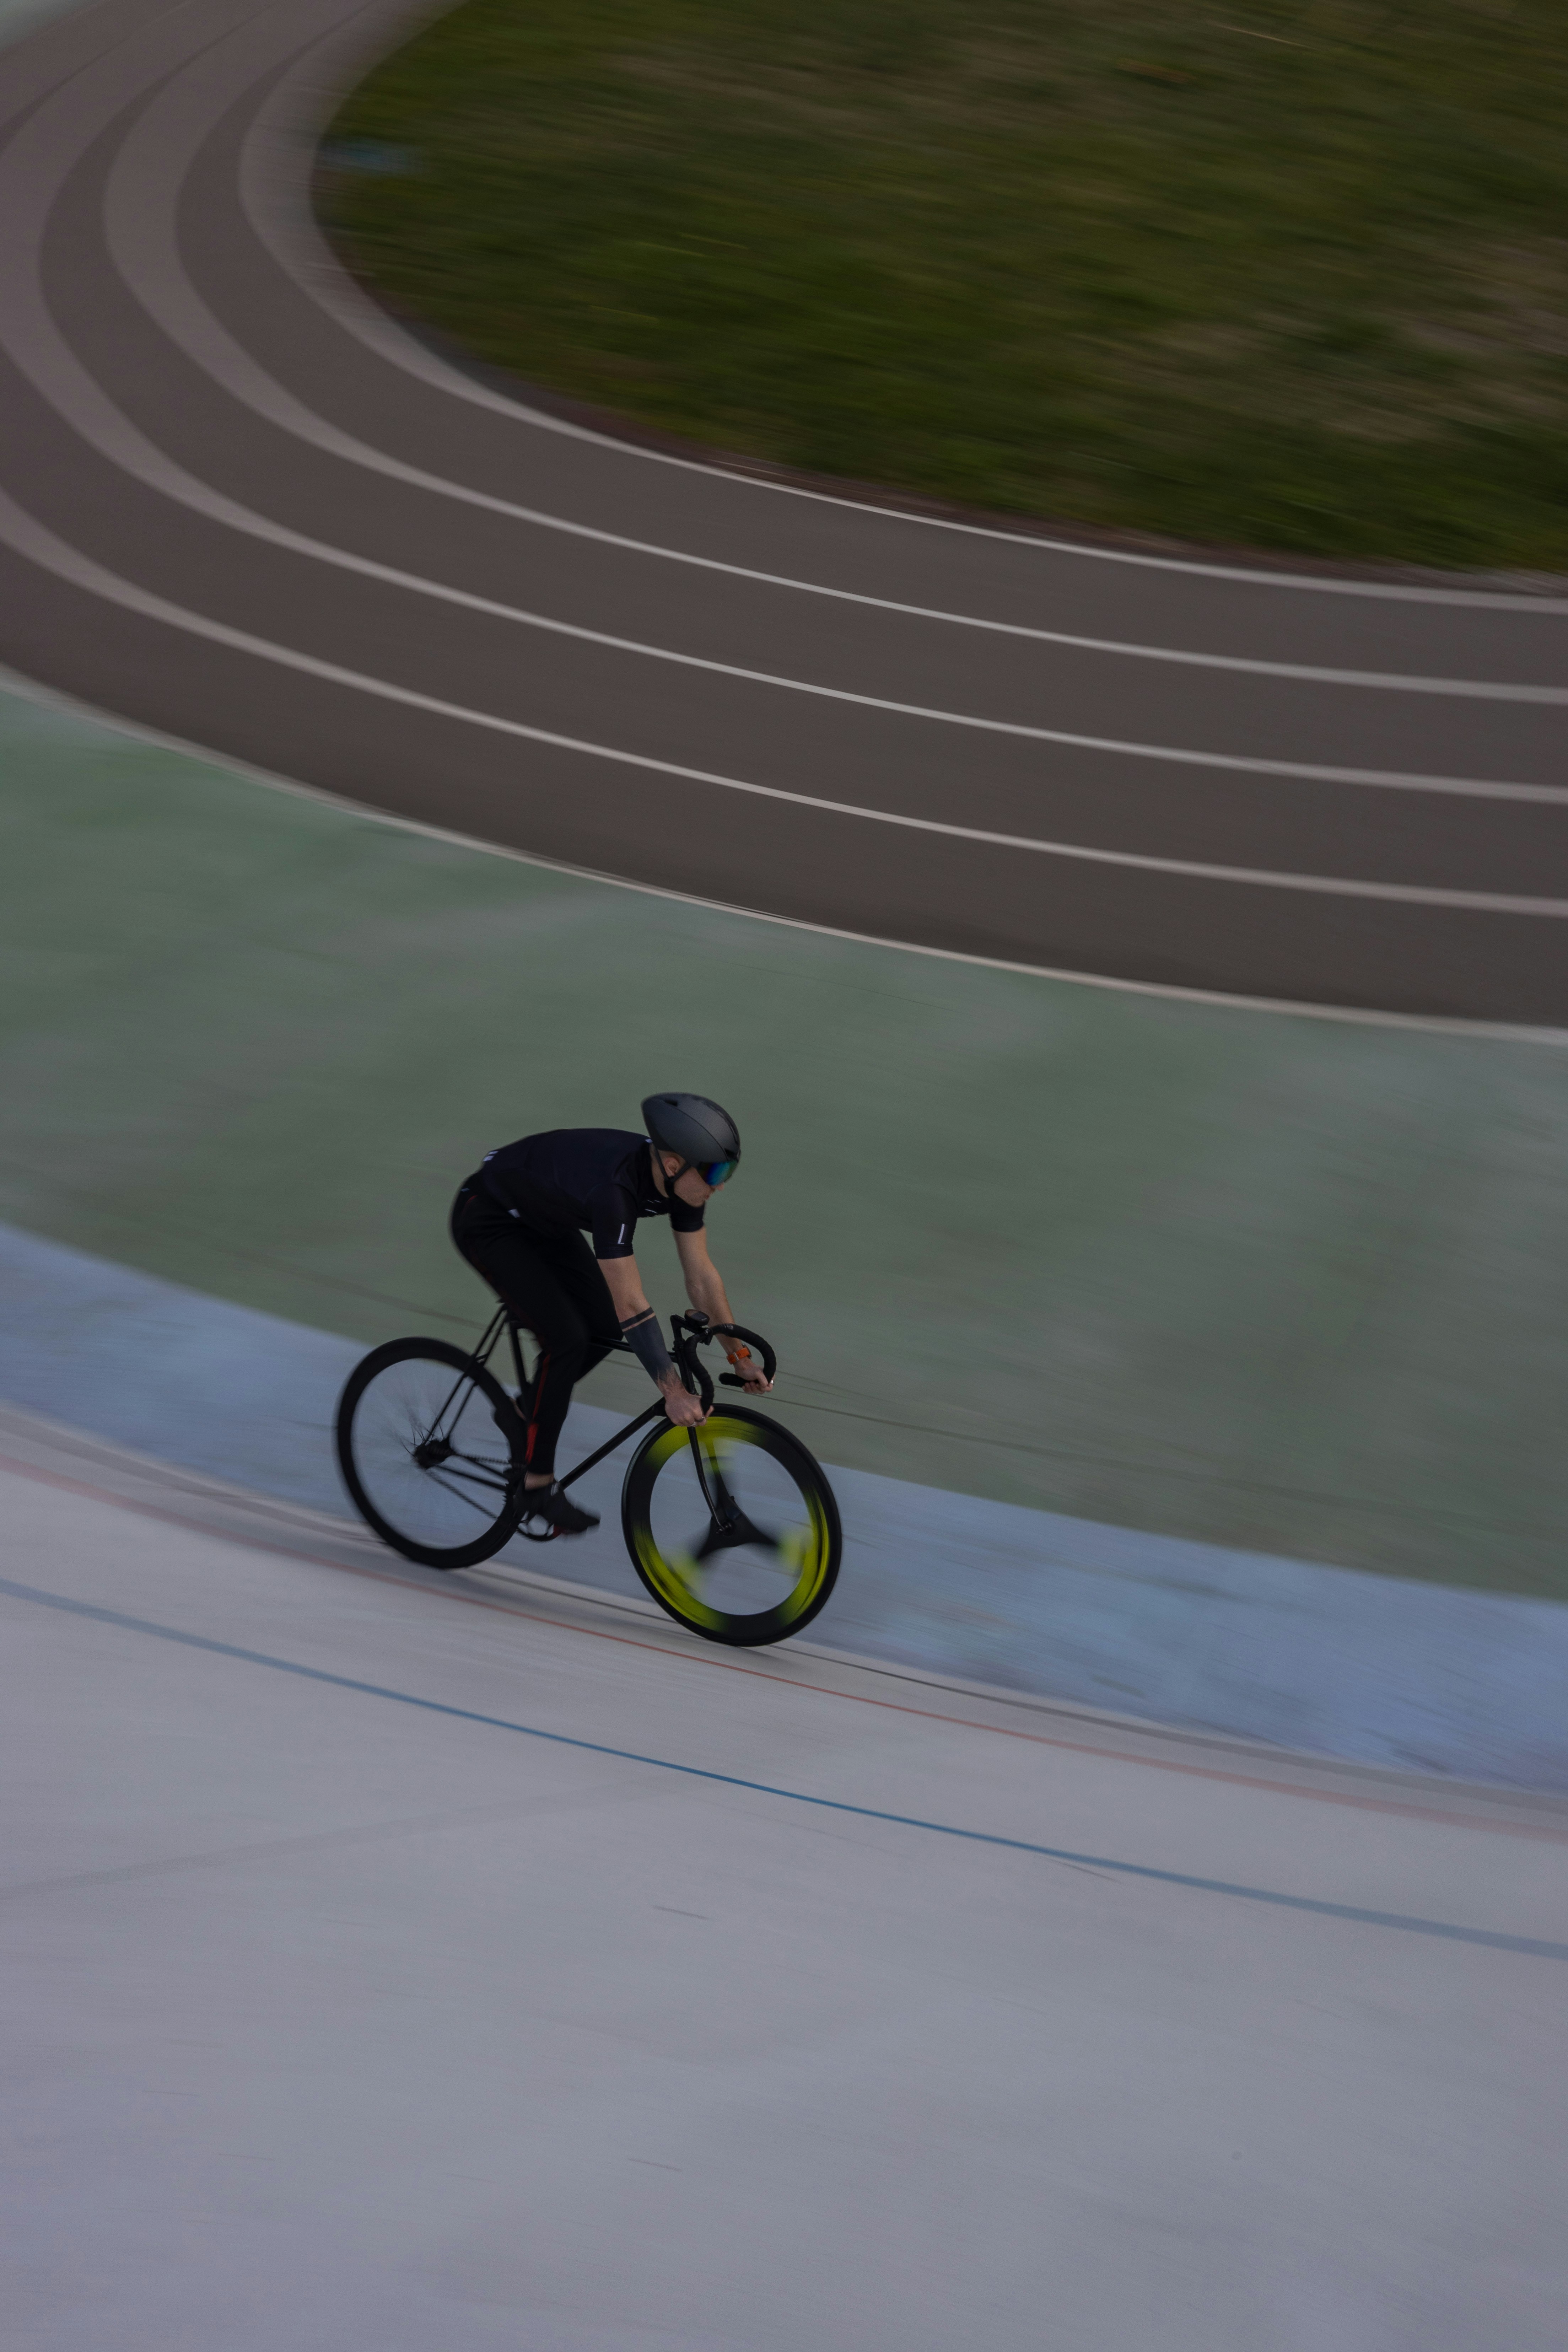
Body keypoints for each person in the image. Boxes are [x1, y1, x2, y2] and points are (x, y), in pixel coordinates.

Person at [450, 1093, 770, 1534]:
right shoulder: (615, 1193)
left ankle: (523, 1412)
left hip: (544, 1219)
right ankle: (537, 1485)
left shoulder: (681, 1183)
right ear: (673, 1164)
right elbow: (631, 1305)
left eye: (727, 1172)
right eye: (715, 1173)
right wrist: (674, 1392)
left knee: (600, 1329)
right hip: (489, 1220)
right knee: (566, 1340)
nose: (720, 1185)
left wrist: (739, 1356)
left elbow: (701, 1277)